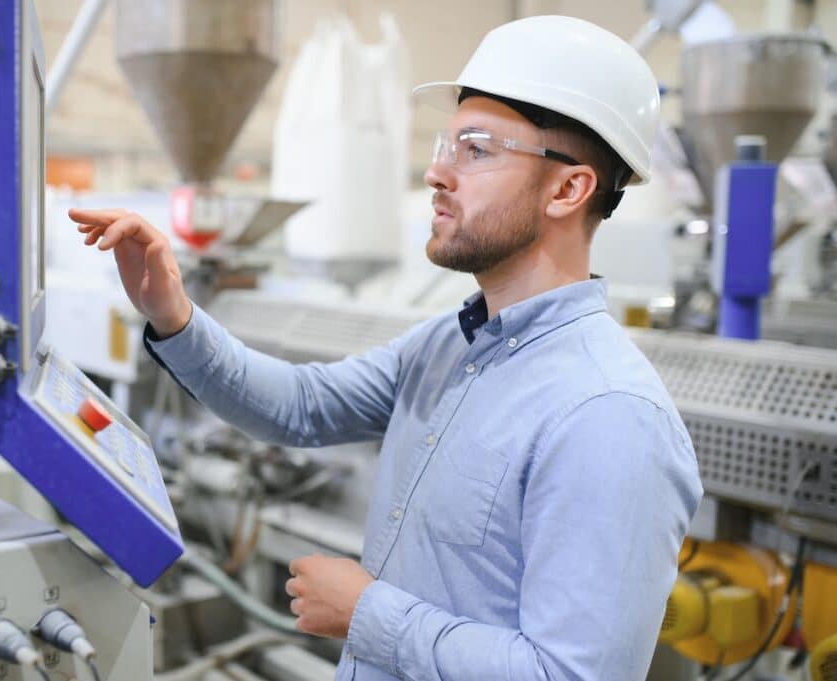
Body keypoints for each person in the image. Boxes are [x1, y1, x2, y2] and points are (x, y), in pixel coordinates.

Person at [70, 14, 702, 681]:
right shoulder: (446, 344)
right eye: (444, 145)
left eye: (477, 149)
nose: (436, 172)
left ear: (569, 188)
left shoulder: (609, 415)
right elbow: (301, 406)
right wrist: (172, 312)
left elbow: (572, 675)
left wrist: (368, 611)